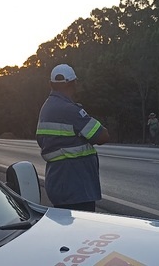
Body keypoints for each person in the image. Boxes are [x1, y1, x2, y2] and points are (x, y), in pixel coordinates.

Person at [35, 64, 110, 212]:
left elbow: (41, 141)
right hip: (77, 188)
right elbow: (102, 136)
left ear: (51, 84)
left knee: (66, 232)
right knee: (82, 232)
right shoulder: (69, 110)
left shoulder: (47, 108)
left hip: (60, 184)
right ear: (72, 83)